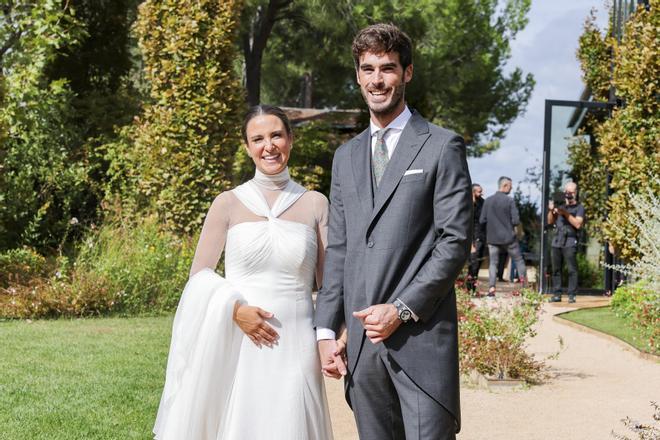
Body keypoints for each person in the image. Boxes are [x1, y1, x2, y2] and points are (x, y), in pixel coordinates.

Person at [314, 23, 472, 440]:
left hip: (420, 341)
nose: (377, 80)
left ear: (407, 73)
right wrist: (327, 332)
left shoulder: (442, 146)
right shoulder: (345, 157)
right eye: (368, 69)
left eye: (387, 68)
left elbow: (454, 241)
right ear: (358, 76)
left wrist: (400, 309)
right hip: (363, 350)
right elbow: (342, 249)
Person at [153, 105, 334, 439]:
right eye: (258, 138)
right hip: (241, 339)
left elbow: (330, 286)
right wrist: (234, 311)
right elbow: (199, 277)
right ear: (247, 147)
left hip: (297, 343)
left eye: (277, 135)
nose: (269, 146)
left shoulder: (315, 204)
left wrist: (331, 340)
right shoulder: (228, 203)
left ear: (290, 139)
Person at [479, 176, 527, 296]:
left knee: (493, 263)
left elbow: (482, 220)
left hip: (492, 238)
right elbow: (516, 221)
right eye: (510, 186)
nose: (511, 188)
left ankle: (491, 289)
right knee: (519, 260)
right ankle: (525, 288)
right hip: (508, 238)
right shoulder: (509, 201)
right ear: (505, 186)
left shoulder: (488, 201)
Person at [548, 181, 585, 303]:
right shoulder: (560, 206)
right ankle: (557, 294)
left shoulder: (579, 207)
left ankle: (571, 294)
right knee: (556, 269)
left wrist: (565, 213)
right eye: (566, 192)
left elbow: (578, 224)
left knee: (571, 269)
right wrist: (551, 210)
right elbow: (549, 222)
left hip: (569, 240)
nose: (568, 194)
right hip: (557, 240)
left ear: (575, 193)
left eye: (571, 192)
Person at [467, 184, 486, 294]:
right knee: (472, 265)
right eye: (479, 191)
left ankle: (473, 288)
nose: (481, 193)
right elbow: (468, 226)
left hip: (481, 238)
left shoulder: (482, 202)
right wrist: (471, 244)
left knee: (478, 264)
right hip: (473, 239)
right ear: (473, 192)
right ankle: (470, 288)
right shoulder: (468, 204)